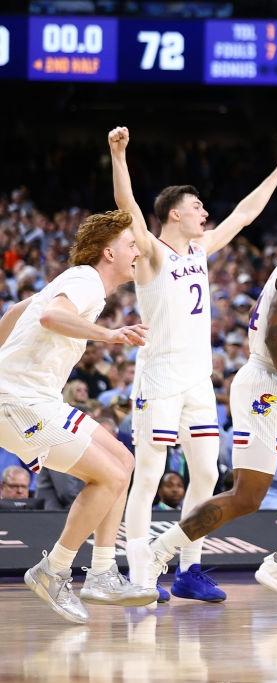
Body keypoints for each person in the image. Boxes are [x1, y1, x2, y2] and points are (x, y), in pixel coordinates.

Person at [138, 184, 277, 607]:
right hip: (267, 390)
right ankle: (156, 554)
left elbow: (275, 336)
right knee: (247, 496)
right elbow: (276, 336)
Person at [109, 127, 277, 603]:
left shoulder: (200, 249)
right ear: (175, 214)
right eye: (197, 208)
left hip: (198, 379)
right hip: (159, 377)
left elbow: (244, 213)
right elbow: (128, 206)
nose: (205, 213)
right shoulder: (152, 252)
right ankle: (138, 573)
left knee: (207, 474)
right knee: (149, 475)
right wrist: (118, 154)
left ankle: (189, 569)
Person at [0, 210, 156, 622]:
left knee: (125, 462)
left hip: (36, 398)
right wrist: (111, 335)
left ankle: (103, 571)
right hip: (17, 402)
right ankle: (53, 570)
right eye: (131, 244)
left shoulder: (72, 282)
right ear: (109, 252)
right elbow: (50, 316)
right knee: (109, 476)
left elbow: (17, 310)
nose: (138, 250)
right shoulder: (86, 280)